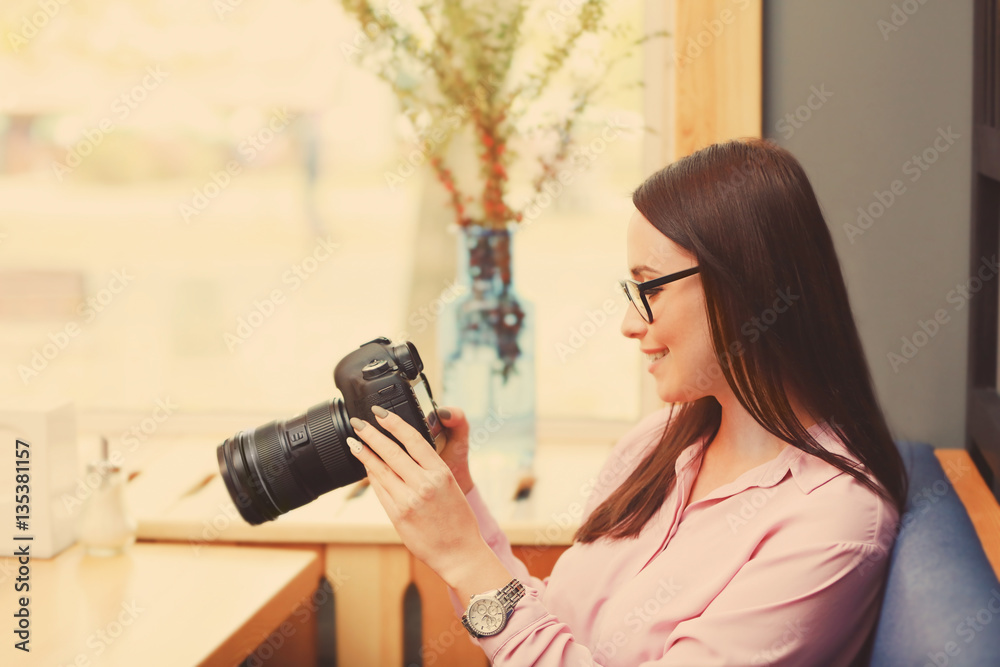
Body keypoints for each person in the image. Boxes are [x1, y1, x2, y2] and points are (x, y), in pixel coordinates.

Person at [345, 137, 908, 666]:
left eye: (652, 287)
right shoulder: (659, 440)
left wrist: (465, 557)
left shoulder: (832, 523)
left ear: (744, 285)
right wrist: (460, 501)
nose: (628, 324)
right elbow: (557, 628)